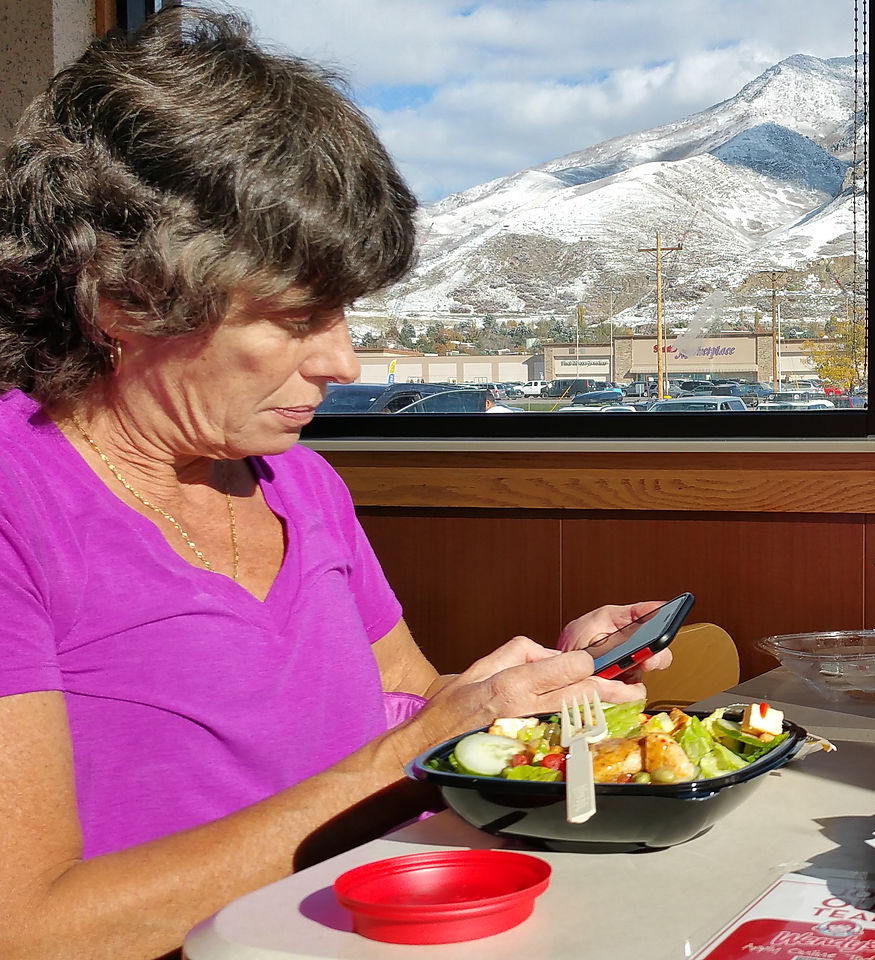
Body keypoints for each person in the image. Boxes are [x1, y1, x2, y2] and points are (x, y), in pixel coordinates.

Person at [0, 10, 670, 959]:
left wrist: (517, 693)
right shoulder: (15, 506)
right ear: (123, 295)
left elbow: (407, 704)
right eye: (299, 314)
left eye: (345, 312)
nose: (346, 362)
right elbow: (24, 929)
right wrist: (416, 750)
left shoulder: (300, 487)